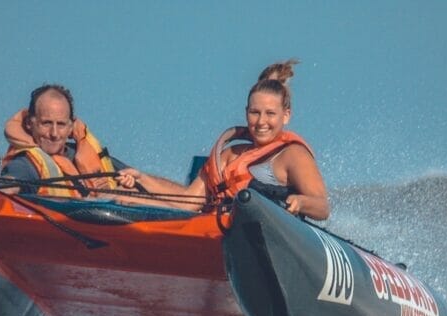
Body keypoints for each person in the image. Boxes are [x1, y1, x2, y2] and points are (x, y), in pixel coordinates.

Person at [116, 59, 330, 220]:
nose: (261, 121)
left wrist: (301, 202)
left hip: (268, 236)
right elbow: (189, 201)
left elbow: (322, 208)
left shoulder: (292, 155)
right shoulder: (228, 156)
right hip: (216, 233)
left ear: (286, 115)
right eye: (255, 113)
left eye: (270, 114)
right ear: (246, 112)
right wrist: (140, 181)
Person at [0, 84, 121, 197]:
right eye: (46, 123)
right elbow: (10, 184)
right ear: (29, 123)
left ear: (71, 127)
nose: (54, 133)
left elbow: (136, 177)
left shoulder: (87, 153)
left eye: (61, 124)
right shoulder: (26, 164)